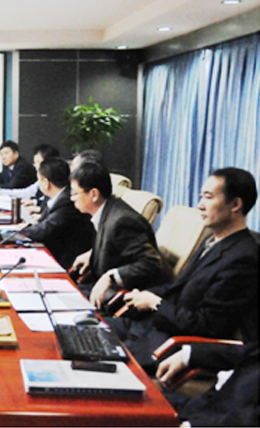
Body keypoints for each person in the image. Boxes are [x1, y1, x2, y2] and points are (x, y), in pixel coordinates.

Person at [108, 168, 259, 369]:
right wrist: (144, 295)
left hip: (171, 343)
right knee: (84, 330)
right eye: (201, 197)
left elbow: (208, 325)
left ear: (235, 205)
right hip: (151, 327)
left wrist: (156, 304)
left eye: (208, 197)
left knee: (93, 358)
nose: (200, 205)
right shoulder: (212, 241)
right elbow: (178, 288)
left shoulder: (244, 258)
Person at [68, 161, 171, 309]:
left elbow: (151, 264)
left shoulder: (122, 222)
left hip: (124, 300)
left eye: (74, 193)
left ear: (94, 194)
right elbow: (116, 246)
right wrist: (92, 255)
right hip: (100, 289)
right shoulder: (107, 211)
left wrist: (111, 276)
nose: (71, 198)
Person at [156, 340, 258, 427]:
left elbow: (247, 420)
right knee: (150, 401)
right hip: (204, 404)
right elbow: (242, 353)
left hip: (217, 420)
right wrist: (187, 355)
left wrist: (193, 425)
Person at [21, 157, 96, 269]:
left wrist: (17, 232)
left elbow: (43, 231)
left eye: (39, 180)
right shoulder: (57, 196)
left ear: (46, 183)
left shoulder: (67, 201)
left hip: (66, 262)